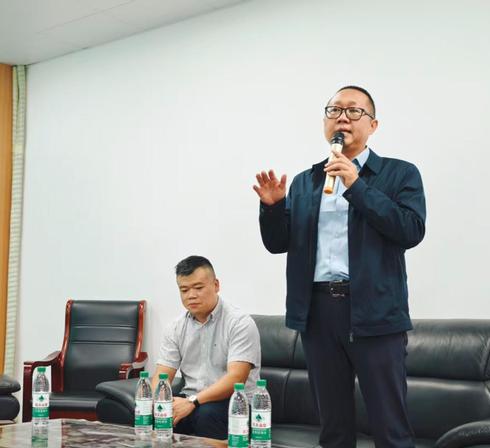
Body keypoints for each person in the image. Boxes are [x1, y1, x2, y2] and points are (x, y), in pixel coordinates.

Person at [253, 86, 426, 448]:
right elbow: (278, 243)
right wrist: (272, 208)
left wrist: (356, 184)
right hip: (318, 313)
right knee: (333, 429)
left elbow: (410, 230)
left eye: (353, 111)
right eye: (334, 110)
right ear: (324, 122)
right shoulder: (306, 181)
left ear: (373, 125)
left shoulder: (399, 174)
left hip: (375, 312)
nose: (342, 118)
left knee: (390, 428)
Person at [153, 255, 261, 440]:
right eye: (184, 290)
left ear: (216, 285)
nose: (191, 295)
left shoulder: (239, 323)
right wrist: (160, 403)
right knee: (152, 413)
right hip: (192, 400)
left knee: (206, 415)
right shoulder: (175, 327)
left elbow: (236, 379)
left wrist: (192, 402)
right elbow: (161, 376)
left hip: (236, 403)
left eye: (198, 288)